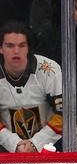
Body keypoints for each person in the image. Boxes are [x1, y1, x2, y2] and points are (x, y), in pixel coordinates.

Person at [0, 21, 61, 153]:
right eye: (10, 46)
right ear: (1, 48)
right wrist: (14, 144)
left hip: (49, 150)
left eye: (22, 45)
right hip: (4, 154)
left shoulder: (49, 70)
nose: (16, 51)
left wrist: (36, 143)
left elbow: (63, 115)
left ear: (28, 48)